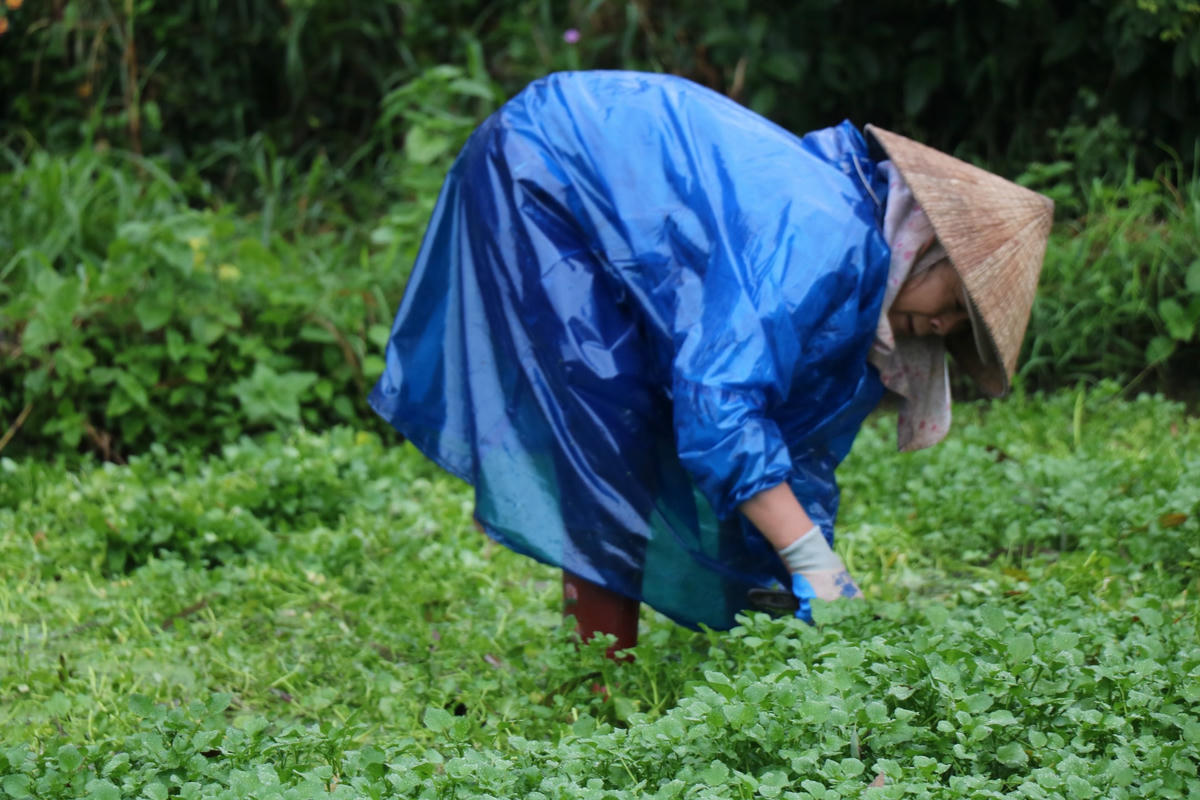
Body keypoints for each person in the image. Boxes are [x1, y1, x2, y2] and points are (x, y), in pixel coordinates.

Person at [369, 70, 1053, 657]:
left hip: (608, 201)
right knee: (612, 428)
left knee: (663, 431)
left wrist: (811, 573)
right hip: (545, 167)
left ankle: (725, 651)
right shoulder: (824, 238)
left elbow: (794, 444)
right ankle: (602, 674)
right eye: (954, 305)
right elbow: (719, 404)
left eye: (958, 328)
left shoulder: (859, 280)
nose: (941, 327)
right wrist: (809, 559)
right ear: (923, 249)